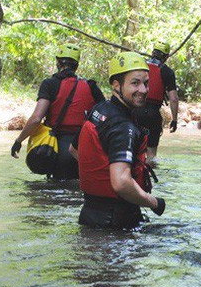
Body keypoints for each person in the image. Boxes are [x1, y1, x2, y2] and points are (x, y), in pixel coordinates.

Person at [70, 51, 166, 229]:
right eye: (135, 83)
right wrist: (154, 203)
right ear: (116, 85)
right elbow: (121, 182)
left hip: (89, 215)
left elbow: (74, 149)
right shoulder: (123, 127)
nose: (143, 90)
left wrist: (106, 173)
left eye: (146, 83)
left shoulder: (99, 110)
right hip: (116, 220)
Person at [11, 43, 104, 180]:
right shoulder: (91, 86)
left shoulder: (50, 84)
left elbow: (37, 118)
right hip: (85, 149)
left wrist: (19, 141)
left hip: (59, 150)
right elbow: (106, 116)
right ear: (77, 65)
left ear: (58, 62)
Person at [132, 41, 179, 164]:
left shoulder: (139, 67)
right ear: (166, 57)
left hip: (135, 111)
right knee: (151, 155)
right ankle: (151, 180)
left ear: (153, 53)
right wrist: (174, 119)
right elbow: (173, 98)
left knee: (133, 150)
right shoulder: (167, 72)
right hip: (153, 114)